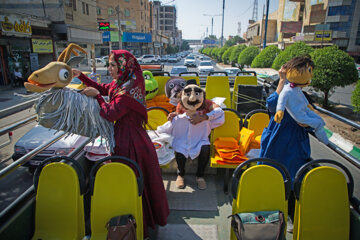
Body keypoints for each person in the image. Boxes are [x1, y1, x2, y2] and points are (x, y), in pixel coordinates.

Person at [72, 50, 169, 237]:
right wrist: (82, 77)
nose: (109, 69)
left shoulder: (128, 90)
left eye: (112, 65)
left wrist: (97, 97)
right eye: (109, 64)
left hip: (131, 142)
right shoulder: (124, 83)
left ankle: (136, 225)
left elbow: (110, 114)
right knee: (135, 182)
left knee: (131, 182)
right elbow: (104, 88)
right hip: (128, 137)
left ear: (123, 66)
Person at [259, 64, 312, 233]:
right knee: (269, 175)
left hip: (295, 143)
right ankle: (267, 212)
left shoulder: (303, 96)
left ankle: (288, 215)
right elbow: (272, 105)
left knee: (291, 178)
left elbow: (311, 116)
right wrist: (282, 81)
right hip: (275, 139)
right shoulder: (280, 85)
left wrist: (309, 123)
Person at [158, 84, 224, 190]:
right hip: (183, 139)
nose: (192, 97)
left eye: (196, 93)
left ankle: (200, 176)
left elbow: (220, 112)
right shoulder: (181, 105)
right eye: (188, 94)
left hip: (200, 139)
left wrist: (204, 117)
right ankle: (180, 174)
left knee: (205, 147)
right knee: (179, 147)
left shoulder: (207, 103)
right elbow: (168, 125)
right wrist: (175, 115)